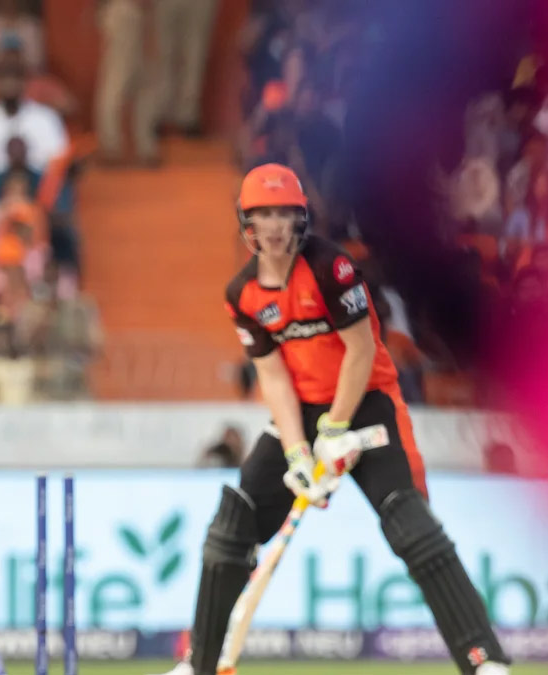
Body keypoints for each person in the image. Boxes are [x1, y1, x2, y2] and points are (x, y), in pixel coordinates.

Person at [154, 164, 510, 675]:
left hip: (365, 402)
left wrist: (337, 429)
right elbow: (273, 377)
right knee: (232, 526)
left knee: (410, 525)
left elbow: (361, 351)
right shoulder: (242, 294)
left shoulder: (331, 267)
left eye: (284, 214)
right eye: (263, 215)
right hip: (302, 413)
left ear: (300, 218)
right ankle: (200, 664)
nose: (275, 226)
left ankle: (484, 660)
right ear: (247, 222)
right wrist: (298, 452)